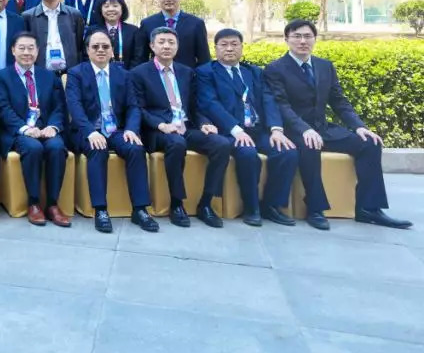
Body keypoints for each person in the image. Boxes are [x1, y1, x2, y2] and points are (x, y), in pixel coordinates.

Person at [263, 19, 412, 230]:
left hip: (323, 128)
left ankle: (369, 209)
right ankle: (315, 208)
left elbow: (339, 101)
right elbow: (282, 106)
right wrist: (305, 129)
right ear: (286, 39)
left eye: (308, 36)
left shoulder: (325, 66)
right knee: (309, 145)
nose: (303, 41)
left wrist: (359, 127)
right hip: (294, 130)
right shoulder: (275, 69)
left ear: (315, 39)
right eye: (297, 36)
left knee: (370, 143)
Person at [196, 28, 298, 226]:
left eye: (234, 44)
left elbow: (269, 100)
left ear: (242, 47)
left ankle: (271, 205)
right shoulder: (206, 72)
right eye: (224, 45)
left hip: (258, 130)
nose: (229, 49)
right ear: (215, 48)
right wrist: (236, 130)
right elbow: (210, 104)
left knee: (287, 152)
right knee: (247, 154)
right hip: (230, 131)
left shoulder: (254, 72)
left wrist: (276, 129)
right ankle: (251, 208)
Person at [131, 26, 230, 228]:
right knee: (176, 143)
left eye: (171, 42)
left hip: (186, 127)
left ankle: (206, 203)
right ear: (152, 46)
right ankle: (177, 203)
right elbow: (138, 108)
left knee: (222, 144)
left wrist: (204, 123)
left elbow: (195, 106)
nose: (166, 46)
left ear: (177, 46)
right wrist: (161, 125)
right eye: (161, 42)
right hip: (159, 130)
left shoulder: (187, 72)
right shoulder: (138, 73)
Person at [65, 30, 159, 233]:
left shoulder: (123, 74)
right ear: (87, 50)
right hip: (87, 130)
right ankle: (100, 210)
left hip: (117, 130)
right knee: (97, 149)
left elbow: (133, 106)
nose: (100, 50)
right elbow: (75, 106)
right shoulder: (76, 73)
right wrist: (90, 132)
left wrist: (132, 129)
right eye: (95, 46)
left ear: (112, 50)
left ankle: (140, 209)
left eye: (105, 46)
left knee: (135, 148)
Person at [0, 32, 71, 227]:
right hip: (19, 130)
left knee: (57, 147)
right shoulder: (2, 77)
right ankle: (34, 203)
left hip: (45, 129)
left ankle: (53, 204)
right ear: (13, 51)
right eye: (21, 48)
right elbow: (3, 109)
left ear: (38, 51)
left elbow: (59, 106)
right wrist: (24, 128)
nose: (26, 52)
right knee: (33, 148)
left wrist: (53, 127)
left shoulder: (49, 76)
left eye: (31, 48)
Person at [23, 0, 85, 75]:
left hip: (70, 75)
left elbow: (80, 46)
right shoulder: (27, 17)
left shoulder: (74, 15)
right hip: (40, 75)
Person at [138, 0, 211, 70]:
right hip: (156, 75)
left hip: (188, 76)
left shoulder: (196, 23)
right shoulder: (147, 23)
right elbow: (141, 57)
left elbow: (204, 58)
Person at [94, 0, 146, 69]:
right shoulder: (93, 31)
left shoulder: (134, 31)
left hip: (129, 74)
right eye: (106, 6)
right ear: (100, 10)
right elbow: (87, 56)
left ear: (122, 8)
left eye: (115, 6)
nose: (111, 9)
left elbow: (139, 57)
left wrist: (129, 74)